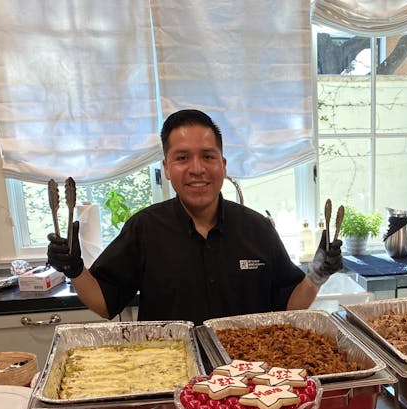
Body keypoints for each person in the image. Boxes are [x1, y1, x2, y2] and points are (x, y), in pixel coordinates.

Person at [46, 109, 343, 323]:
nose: (197, 169)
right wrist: (75, 270)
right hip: (170, 380)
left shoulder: (257, 228)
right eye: (182, 158)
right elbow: (104, 302)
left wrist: (317, 276)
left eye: (208, 156)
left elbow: (289, 306)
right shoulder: (144, 228)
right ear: (167, 167)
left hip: (249, 385)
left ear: (223, 164)